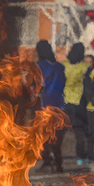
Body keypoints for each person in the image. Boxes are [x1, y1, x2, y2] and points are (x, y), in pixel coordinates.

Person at [35, 40, 66, 172]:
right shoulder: (60, 67)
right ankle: (59, 164)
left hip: (45, 105)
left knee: (44, 136)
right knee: (57, 138)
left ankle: (47, 160)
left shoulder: (39, 66)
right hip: (60, 106)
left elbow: (36, 85)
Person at [62, 42, 90, 166]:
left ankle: (53, 152)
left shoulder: (63, 65)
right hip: (78, 102)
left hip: (65, 101)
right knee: (79, 132)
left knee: (60, 130)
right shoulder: (84, 67)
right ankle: (80, 157)